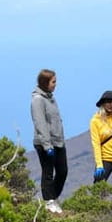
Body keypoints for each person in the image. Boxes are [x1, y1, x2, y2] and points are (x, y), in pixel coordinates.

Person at [31, 69, 67, 213]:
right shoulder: (38, 100)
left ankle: (54, 198)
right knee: (48, 172)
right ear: (45, 82)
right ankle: (48, 201)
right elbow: (40, 123)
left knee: (63, 171)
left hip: (58, 142)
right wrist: (47, 145)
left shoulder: (50, 98)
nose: (55, 84)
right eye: (53, 82)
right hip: (45, 143)